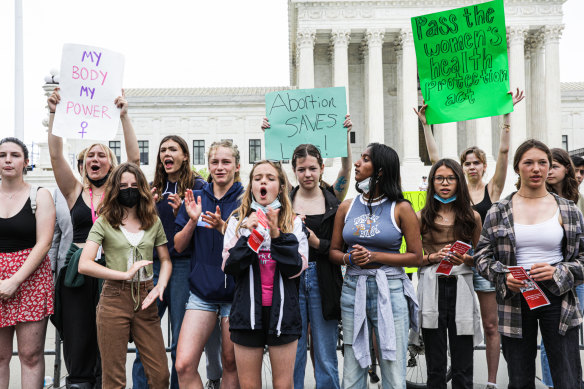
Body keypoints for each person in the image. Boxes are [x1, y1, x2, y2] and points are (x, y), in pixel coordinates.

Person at [415, 88, 524, 389]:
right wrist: (426, 125)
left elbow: (503, 154)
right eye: (467, 163)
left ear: (482, 167)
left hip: (472, 270)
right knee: (438, 347)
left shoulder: (486, 196)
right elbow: (439, 162)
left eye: (476, 162)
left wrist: (506, 114)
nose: (470, 167)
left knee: (487, 327)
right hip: (438, 276)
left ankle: (489, 381)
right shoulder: (429, 208)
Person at [47, 87, 140, 388]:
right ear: (85, 163)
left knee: (108, 341)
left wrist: (124, 117)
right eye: (90, 156)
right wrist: (54, 115)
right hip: (77, 273)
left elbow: (135, 159)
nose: (95, 158)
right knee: (78, 338)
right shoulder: (74, 192)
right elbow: (55, 154)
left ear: (111, 165)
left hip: (110, 272)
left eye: (102, 154)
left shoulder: (120, 194)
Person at [474, 139, 584, 389]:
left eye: (542, 163)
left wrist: (560, 270)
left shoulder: (567, 209)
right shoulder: (499, 210)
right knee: (520, 376)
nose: (536, 169)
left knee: (566, 375)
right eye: (529, 163)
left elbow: (583, 258)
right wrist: (503, 277)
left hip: (558, 296)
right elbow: (481, 255)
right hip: (515, 296)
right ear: (517, 168)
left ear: (549, 167)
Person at [329, 143, 422, 388]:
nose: (358, 163)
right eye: (359, 158)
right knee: (353, 365)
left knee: (392, 365)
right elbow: (334, 252)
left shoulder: (401, 208)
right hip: (353, 288)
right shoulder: (347, 207)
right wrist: (349, 259)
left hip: (389, 289)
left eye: (366, 159)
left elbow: (415, 257)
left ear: (380, 171)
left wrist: (375, 256)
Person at [78, 162, 171, 388]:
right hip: (114, 298)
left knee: (160, 375)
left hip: (147, 297)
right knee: (114, 379)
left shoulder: (153, 220)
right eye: (122, 186)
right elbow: (84, 264)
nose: (129, 190)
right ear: (114, 189)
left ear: (142, 188)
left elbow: (166, 260)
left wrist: (160, 286)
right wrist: (124, 274)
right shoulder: (105, 221)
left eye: (134, 185)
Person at [222, 159, 308, 389]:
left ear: (280, 187)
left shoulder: (294, 222)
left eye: (270, 178)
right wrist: (249, 235)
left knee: (283, 385)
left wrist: (275, 233)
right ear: (251, 186)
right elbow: (230, 267)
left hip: (283, 314)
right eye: (258, 178)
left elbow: (295, 268)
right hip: (247, 314)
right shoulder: (236, 222)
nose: (263, 182)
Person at [132, 135, 206, 389]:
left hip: (183, 266)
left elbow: (204, 231)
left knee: (179, 343)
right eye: (163, 149)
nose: (167, 154)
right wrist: (146, 212)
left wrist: (182, 216)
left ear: (185, 155)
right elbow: (136, 231)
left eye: (173, 149)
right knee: (146, 337)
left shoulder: (198, 186)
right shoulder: (151, 188)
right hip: (152, 265)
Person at [174, 140, 243, 389]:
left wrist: (224, 228)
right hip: (201, 293)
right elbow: (179, 246)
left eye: (226, 162)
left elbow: (255, 248)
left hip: (236, 293)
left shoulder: (246, 200)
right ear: (208, 166)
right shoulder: (196, 198)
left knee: (231, 362)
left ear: (237, 165)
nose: (220, 167)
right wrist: (192, 221)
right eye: (215, 162)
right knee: (183, 364)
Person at [416, 158, 483, 389]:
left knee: (463, 362)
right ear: (432, 182)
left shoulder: (472, 217)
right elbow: (412, 258)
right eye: (439, 178)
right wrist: (432, 258)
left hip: (461, 288)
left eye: (451, 178)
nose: (445, 183)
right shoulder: (420, 216)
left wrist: (466, 259)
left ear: (459, 182)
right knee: (435, 363)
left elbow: (482, 260)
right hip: (431, 288)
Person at [0, 137, 56, 389]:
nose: (8, 160)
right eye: (2, 155)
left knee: (30, 355)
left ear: (26, 162)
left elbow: (44, 243)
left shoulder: (40, 195)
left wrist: (14, 280)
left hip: (31, 279)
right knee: (0, 356)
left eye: (14, 155)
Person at [540, 147, 581, 389]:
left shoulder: (575, 203)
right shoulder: (532, 199)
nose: (548, 171)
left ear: (567, 169)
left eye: (554, 166)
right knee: (549, 342)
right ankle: (550, 384)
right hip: (545, 278)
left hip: (573, 278)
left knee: (568, 338)